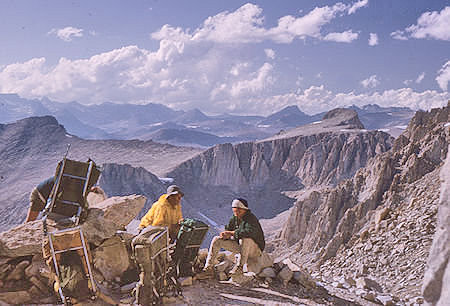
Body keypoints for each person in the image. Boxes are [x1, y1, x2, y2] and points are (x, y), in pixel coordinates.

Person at [198, 198, 265, 279]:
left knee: (245, 239)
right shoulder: (235, 218)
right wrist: (225, 235)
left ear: (244, 210)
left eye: (239, 211)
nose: (236, 213)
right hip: (241, 248)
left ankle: (239, 268)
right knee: (217, 240)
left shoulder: (251, 219)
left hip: (254, 250)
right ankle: (208, 268)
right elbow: (228, 229)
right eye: (235, 211)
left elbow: (249, 232)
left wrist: (232, 233)